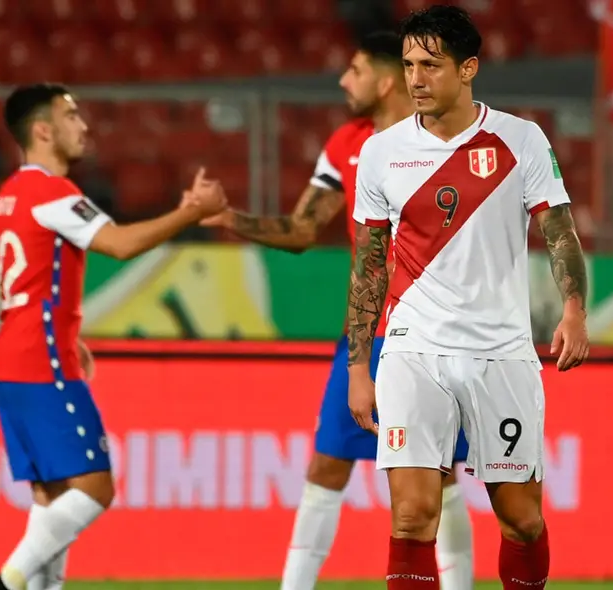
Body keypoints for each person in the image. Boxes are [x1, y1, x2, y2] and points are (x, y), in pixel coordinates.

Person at [200, 31, 474, 590]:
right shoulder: (347, 143)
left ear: (385, 78)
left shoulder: (448, 141)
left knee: (438, 475)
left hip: (436, 332)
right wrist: (232, 219)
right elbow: (303, 228)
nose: (343, 81)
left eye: (353, 70)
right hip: (367, 334)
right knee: (328, 464)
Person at [345, 6, 590, 590]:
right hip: (413, 349)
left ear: (468, 68)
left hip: (499, 351)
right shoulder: (381, 152)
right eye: (408, 65)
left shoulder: (519, 139)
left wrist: (574, 311)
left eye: (431, 65)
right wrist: (359, 363)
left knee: (522, 521)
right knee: (410, 516)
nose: (415, 79)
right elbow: (369, 264)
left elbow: (559, 231)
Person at [0, 83, 226, 590]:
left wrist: (69, 332)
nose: (83, 125)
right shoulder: (51, 191)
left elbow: (32, 282)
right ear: (43, 130)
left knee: (52, 495)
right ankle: (5, 583)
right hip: (40, 359)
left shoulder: (7, 196)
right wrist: (189, 213)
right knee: (94, 488)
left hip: (15, 355)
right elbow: (118, 243)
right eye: (71, 116)